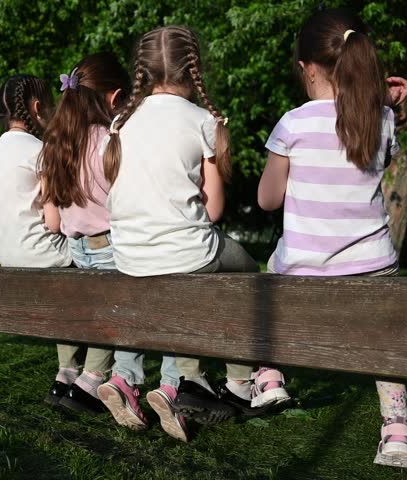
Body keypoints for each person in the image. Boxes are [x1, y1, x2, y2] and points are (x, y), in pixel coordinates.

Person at [103, 25, 291, 428]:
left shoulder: (120, 122)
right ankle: (242, 379)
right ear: (193, 71)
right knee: (247, 274)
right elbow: (215, 210)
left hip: (129, 256)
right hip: (188, 252)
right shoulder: (202, 119)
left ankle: (180, 380)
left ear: (144, 72)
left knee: (194, 275)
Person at [257, 9, 407, 468]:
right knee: (385, 342)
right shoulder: (381, 120)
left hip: (305, 271)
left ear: (307, 68)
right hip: (373, 266)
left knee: (267, 273)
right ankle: (397, 432)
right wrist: (386, 100)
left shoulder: (293, 123)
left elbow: (268, 200)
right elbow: (368, 122)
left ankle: (268, 376)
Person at [38, 53, 188, 441]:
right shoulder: (110, 141)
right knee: (161, 302)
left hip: (79, 253)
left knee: (125, 310)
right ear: (114, 98)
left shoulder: (56, 143)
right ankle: (160, 383)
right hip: (112, 246)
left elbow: (51, 211)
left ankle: (122, 380)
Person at [0, 74, 83, 409]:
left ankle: (68, 369)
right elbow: (54, 223)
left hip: (7, 257)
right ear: (37, 108)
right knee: (99, 256)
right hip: (41, 256)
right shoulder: (41, 151)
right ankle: (91, 371)